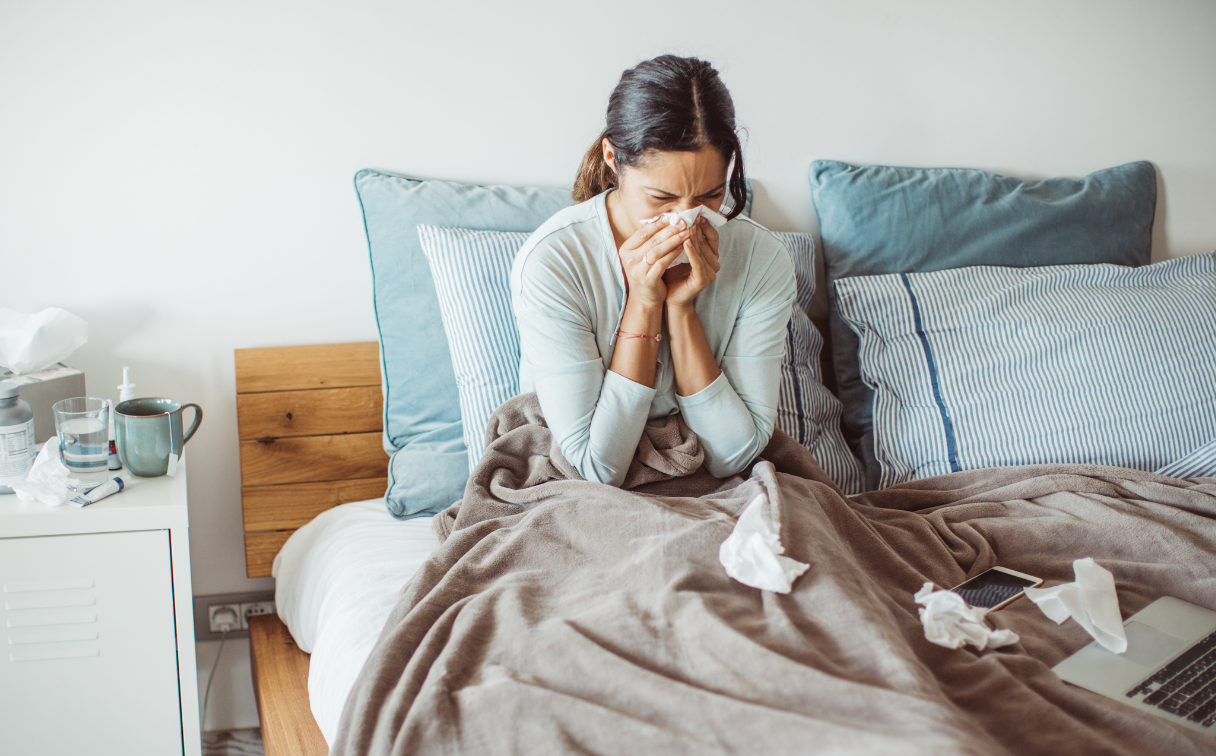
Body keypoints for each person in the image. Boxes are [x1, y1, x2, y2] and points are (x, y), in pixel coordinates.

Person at [510, 55, 795, 487]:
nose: (686, 219)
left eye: (711, 195)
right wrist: (644, 304)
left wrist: (681, 311)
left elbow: (734, 455)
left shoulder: (762, 258)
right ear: (611, 157)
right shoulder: (555, 261)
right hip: (580, 488)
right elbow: (597, 468)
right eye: (662, 198)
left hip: (713, 484)